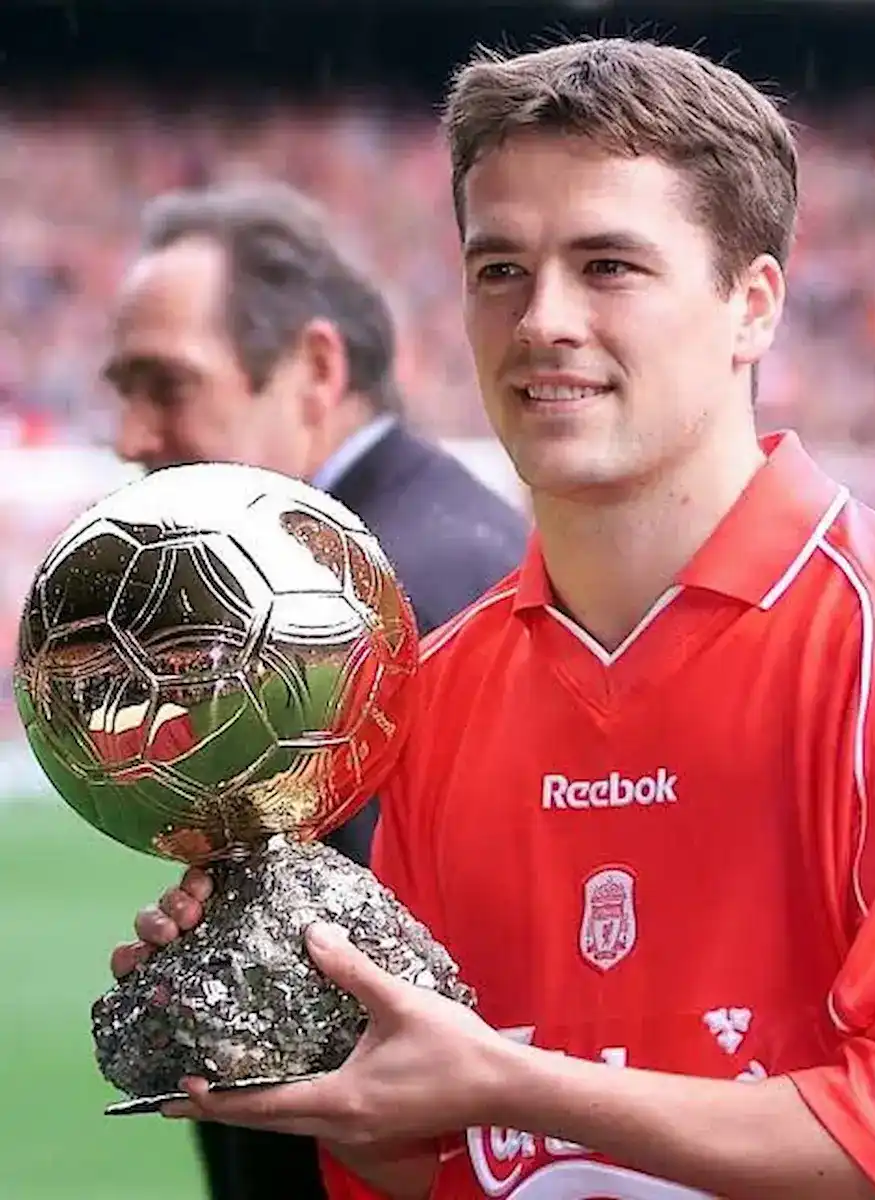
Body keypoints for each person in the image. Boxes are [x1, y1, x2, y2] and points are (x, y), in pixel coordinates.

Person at [111, 39, 875, 1200]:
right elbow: (449, 1164)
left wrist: (516, 1085)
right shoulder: (432, 694)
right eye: (500, 269)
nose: (542, 318)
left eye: (608, 266)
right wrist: (284, 1049)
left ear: (753, 305)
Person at [102, 180, 527, 1200]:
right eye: (124, 388)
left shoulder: (369, 598)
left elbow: (361, 996)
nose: (131, 435)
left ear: (315, 371)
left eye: (167, 384)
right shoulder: (414, 545)